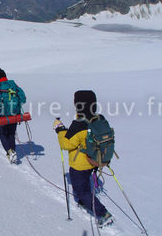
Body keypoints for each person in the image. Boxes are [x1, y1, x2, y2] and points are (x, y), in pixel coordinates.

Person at [53, 90, 113, 227]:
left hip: (79, 165)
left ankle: (103, 214)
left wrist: (60, 130)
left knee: (80, 190)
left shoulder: (78, 124)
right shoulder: (100, 118)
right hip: (95, 160)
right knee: (85, 182)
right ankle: (85, 201)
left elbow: (66, 144)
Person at [0, 68, 26, 163]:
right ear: (5, 76)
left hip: (2, 115)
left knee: (2, 133)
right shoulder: (13, 85)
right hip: (15, 114)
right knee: (11, 133)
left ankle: (9, 152)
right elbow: (23, 98)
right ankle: (13, 151)